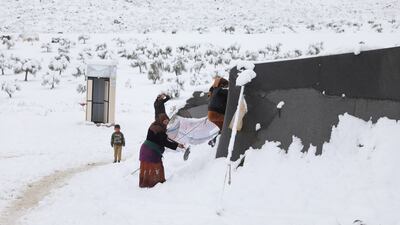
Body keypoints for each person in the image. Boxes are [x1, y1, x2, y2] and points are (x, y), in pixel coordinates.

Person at [139, 113, 184, 188]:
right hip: (151, 150)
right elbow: (164, 142)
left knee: (147, 167)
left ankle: (146, 182)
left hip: (145, 149)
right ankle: (155, 184)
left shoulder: (154, 126)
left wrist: (177, 144)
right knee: (157, 167)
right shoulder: (159, 130)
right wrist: (177, 145)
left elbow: (161, 139)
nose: (166, 123)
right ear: (161, 121)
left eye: (167, 121)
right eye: (165, 121)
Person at [207, 77, 229, 146]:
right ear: (222, 85)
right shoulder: (221, 91)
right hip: (216, 114)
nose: (227, 87)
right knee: (229, 123)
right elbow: (232, 94)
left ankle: (214, 140)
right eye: (226, 86)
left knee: (223, 128)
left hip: (210, 115)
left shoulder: (214, 90)